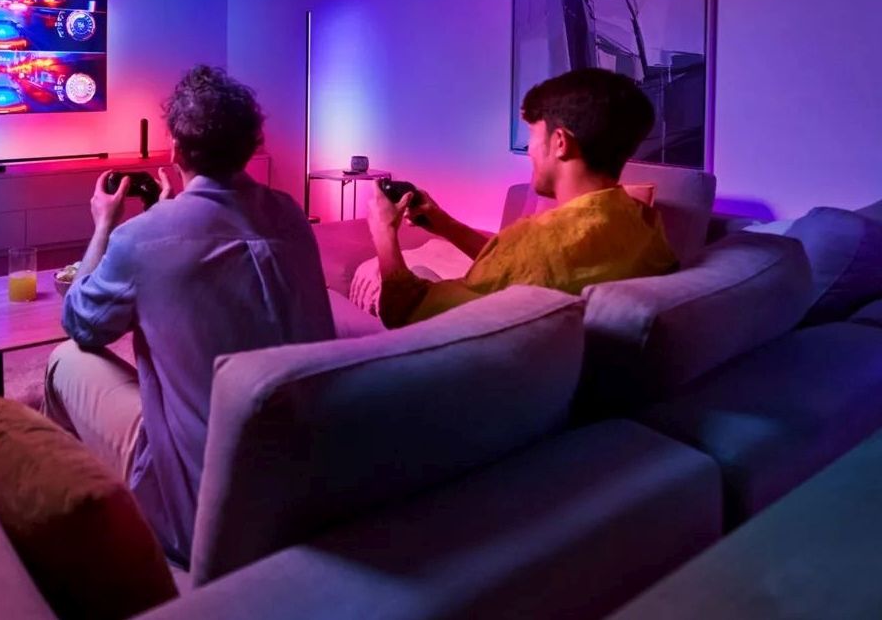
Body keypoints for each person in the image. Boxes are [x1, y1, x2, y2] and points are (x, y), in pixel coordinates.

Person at [44, 65, 334, 564]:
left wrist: (104, 226)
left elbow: (81, 322)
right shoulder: (292, 214)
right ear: (253, 145)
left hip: (201, 512)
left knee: (64, 358)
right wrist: (167, 213)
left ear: (175, 150)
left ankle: (67, 525)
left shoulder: (140, 238)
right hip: (310, 494)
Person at [369, 68, 677, 328]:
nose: (529, 150)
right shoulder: (645, 224)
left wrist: (384, 233)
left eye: (533, 135)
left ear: (560, 142)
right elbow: (513, 268)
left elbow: (403, 311)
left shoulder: (536, 240)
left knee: (397, 275)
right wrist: (445, 225)